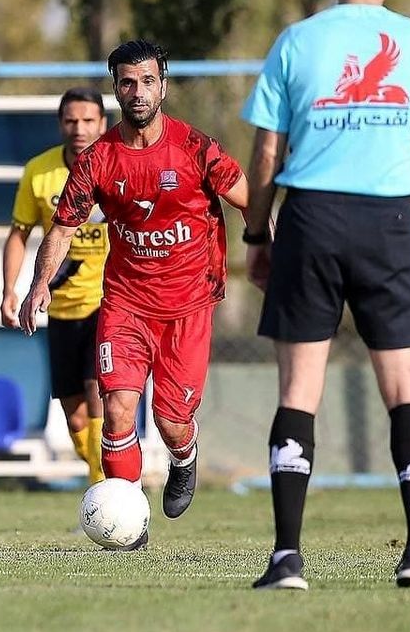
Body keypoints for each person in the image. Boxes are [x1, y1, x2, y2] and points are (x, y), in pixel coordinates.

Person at [241, 0, 410, 592]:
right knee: (406, 389)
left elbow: (268, 149)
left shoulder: (296, 42)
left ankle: (286, 560)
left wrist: (255, 231)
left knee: (298, 390)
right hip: (389, 223)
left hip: (311, 218)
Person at [19, 40, 248, 548]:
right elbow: (60, 230)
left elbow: (247, 199)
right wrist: (37, 286)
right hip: (124, 302)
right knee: (118, 408)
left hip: (188, 305)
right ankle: (130, 522)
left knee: (171, 421)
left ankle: (184, 460)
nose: (138, 91)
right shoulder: (98, 160)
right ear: (116, 88)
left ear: (163, 85)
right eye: (127, 82)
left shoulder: (195, 148)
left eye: (148, 81)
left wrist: (266, 253)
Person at [1, 87, 108, 485]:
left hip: (108, 302)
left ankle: (108, 494)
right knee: (75, 415)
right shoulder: (39, 171)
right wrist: (10, 289)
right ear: (61, 123)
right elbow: (19, 233)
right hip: (60, 308)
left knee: (99, 394)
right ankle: (101, 477)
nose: (79, 129)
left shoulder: (119, 164)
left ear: (102, 122)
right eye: (71, 121)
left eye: (88, 121)